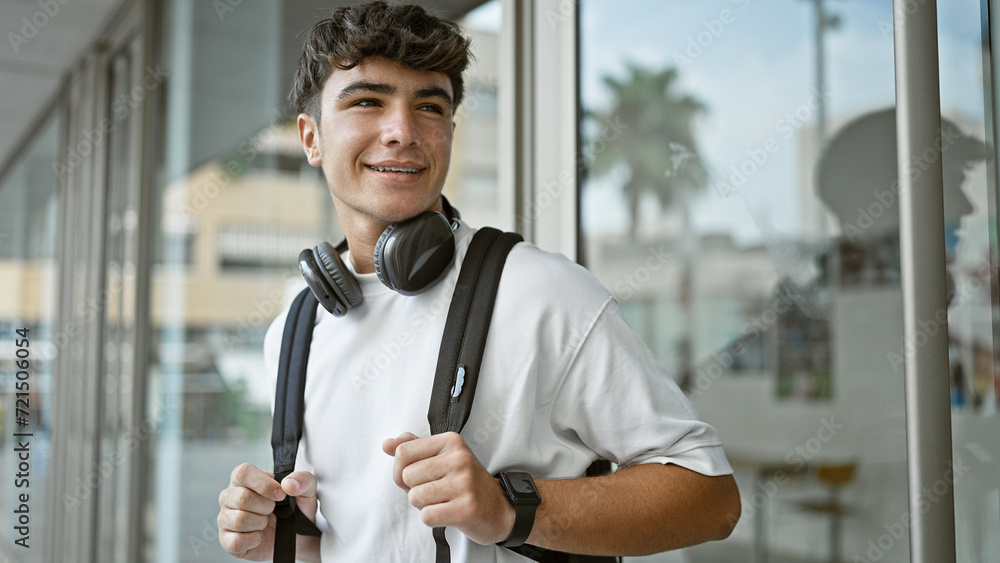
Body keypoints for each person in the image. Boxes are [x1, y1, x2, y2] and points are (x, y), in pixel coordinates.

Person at [216, 2, 741, 561]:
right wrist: (284, 541)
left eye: (429, 107)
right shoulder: (294, 326)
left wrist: (506, 509)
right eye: (368, 101)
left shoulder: (540, 291)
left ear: (449, 131)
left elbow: (711, 497)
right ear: (311, 138)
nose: (402, 131)